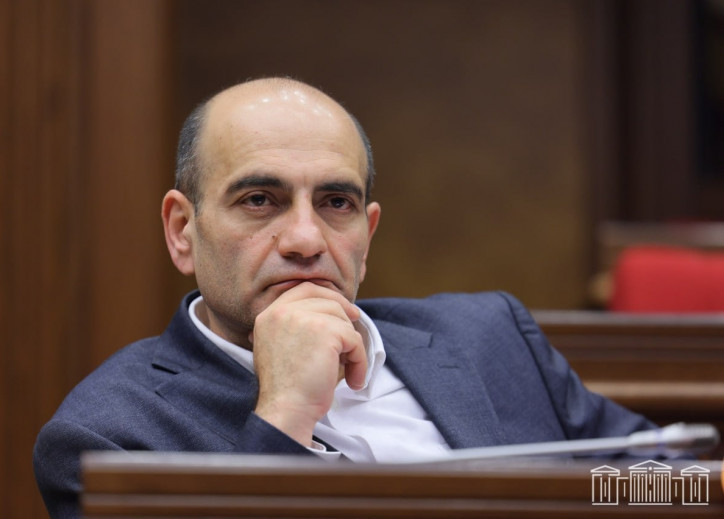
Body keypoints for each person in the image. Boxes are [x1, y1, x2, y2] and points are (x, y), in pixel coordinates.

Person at [33, 77, 655, 517]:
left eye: (336, 203)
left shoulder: (489, 335)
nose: (307, 240)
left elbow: (671, 484)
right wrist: (283, 416)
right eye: (259, 200)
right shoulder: (109, 435)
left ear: (367, 235)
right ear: (182, 231)